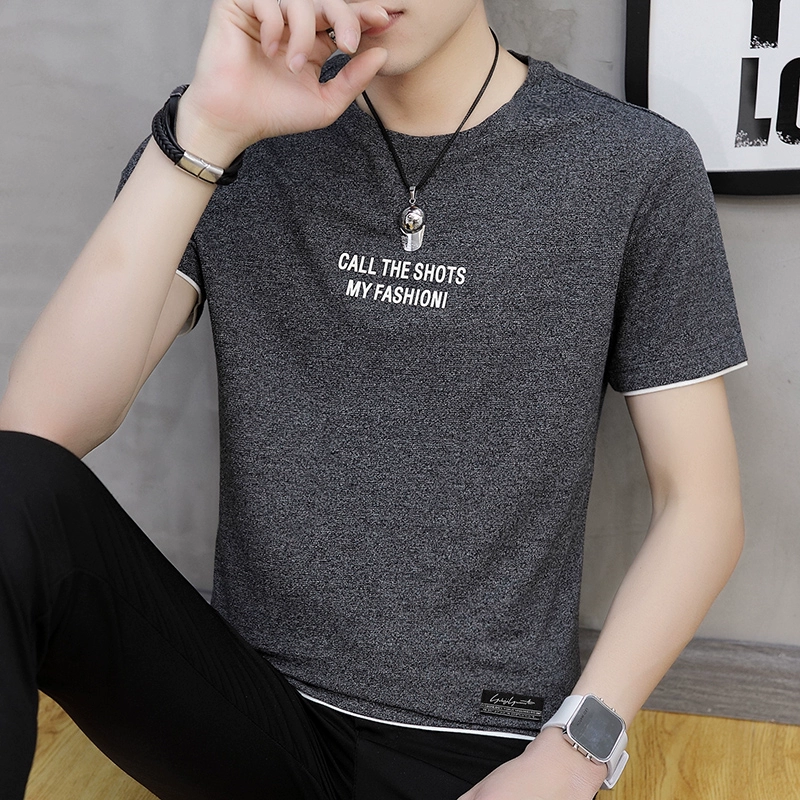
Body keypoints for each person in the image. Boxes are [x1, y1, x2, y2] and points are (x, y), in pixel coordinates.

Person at [0, 0, 747, 798]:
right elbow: (36, 442)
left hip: (478, 748)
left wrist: (575, 752)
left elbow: (701, 505)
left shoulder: (630, 164)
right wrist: (210, 129)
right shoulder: (226, 139)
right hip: (247, 712)